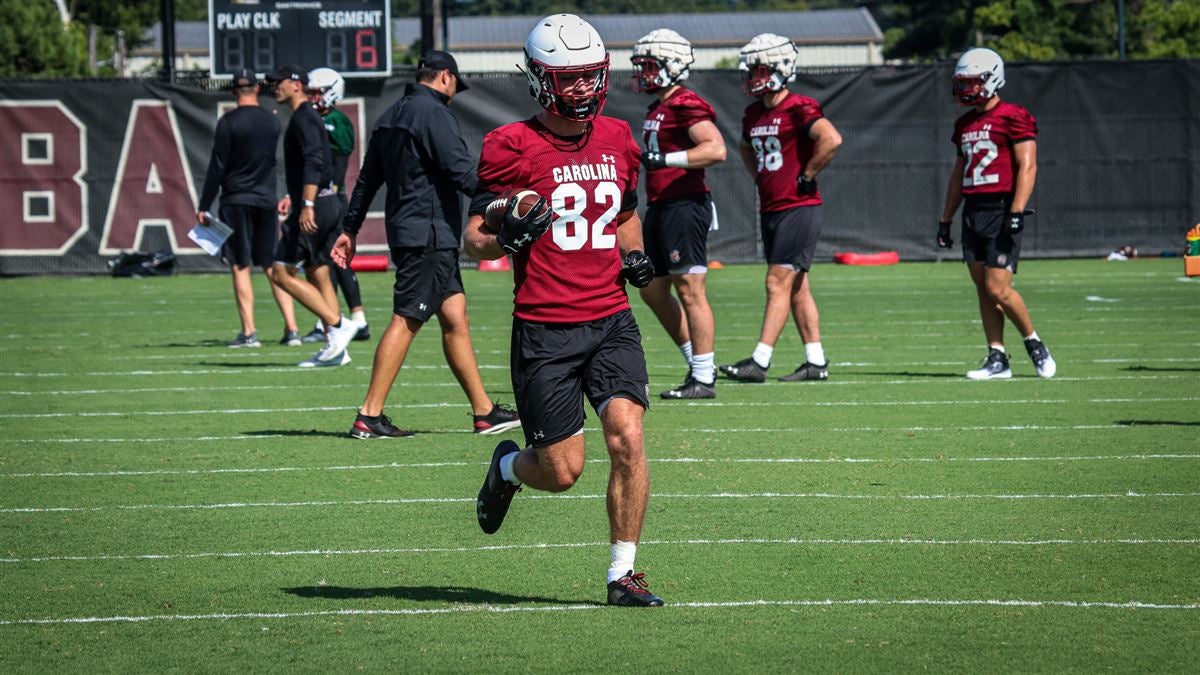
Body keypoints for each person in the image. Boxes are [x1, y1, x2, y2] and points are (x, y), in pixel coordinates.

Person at [463, 14, 663, 608]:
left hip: (610, 318)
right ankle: (506, 471)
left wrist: (635, 257)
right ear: (540, 78)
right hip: (546, 327)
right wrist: (509, 237)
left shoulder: (619, 137)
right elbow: (475, 238)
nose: (581, 88)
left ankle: (622, 574)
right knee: (561, 471)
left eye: (589, 76)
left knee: (627, 436)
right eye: (567, 77)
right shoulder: (509, 144)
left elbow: (624, 213)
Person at [331, 51, 520, 438]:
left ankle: (484, 412)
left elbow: (367, 181)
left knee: (455, 317)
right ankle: (369, 415)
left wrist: (349, 229)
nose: (455, 94)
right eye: (455, 86)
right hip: (429, 234)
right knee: (408, 316)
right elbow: (463, 171)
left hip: (415, 232)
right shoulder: (433, 114)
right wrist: (508, 199)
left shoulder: (390, 116)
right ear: (446, 78)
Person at [719, 34, 842, 385]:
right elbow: (745, 147)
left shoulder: (800, 106)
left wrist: (807, 174)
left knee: (776, 282)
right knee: (797, 286)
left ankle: (759, 361)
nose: (753, 78)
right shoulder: (754, 113)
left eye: (760, 71)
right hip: (774, 207)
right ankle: (816, 362)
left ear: (780, 69)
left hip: (799, 208)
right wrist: (759, 174)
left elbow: (831, 139)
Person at [938, 48, 1056, 380]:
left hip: (1002, 208)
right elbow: (958, 175)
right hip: (973, 210)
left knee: (998, 288)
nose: (966, 89)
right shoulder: (963, 124)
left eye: (973, 82)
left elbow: (1027, 166)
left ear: (992, 79)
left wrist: (1016, 210)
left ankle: (1034, 343)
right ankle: (997, 357)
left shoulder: (1014, 115)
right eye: (963, 83)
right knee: (983, 288)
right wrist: (945, 219)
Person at [630, 29, 726, 400]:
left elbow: (715, 149)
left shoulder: (686, 103)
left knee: (690, 288)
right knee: (652, 290)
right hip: (661, 204)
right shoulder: (659, 106)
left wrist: (666, 159)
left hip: (685, 204)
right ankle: (697, 363)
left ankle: (703, 376)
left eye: (650, 66)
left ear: (672, 64)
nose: (644, 73)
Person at [195, 68, 302, 348]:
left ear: (233, 92)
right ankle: (292, 329)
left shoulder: (228, 122)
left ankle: (249, 332)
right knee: (271, 265)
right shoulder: (272, 122)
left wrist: (204, 205)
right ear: (257, 89)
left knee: (240, 265)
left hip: (235, 200)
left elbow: (217, 167)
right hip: (266, 199)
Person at [264, 64, 362, 368]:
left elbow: (314, 161)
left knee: (281, 272)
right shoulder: (308, 116)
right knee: (318, 270)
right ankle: (337, 348)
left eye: (277, 82)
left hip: (316, 204)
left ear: (296, 84)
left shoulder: (304, 116)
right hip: (327, 201)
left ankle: (337, 324)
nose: (273, 87)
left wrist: (305, 203)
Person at [300, 67, 371, 346]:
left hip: (330, 198)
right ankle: (336, 318)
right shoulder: (314, 119)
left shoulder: (337, 121)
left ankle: (348, 318)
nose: (313, 97)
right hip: (320, 198)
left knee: (328, 260)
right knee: (324, 261)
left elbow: (339, 156)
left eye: (317, 92)